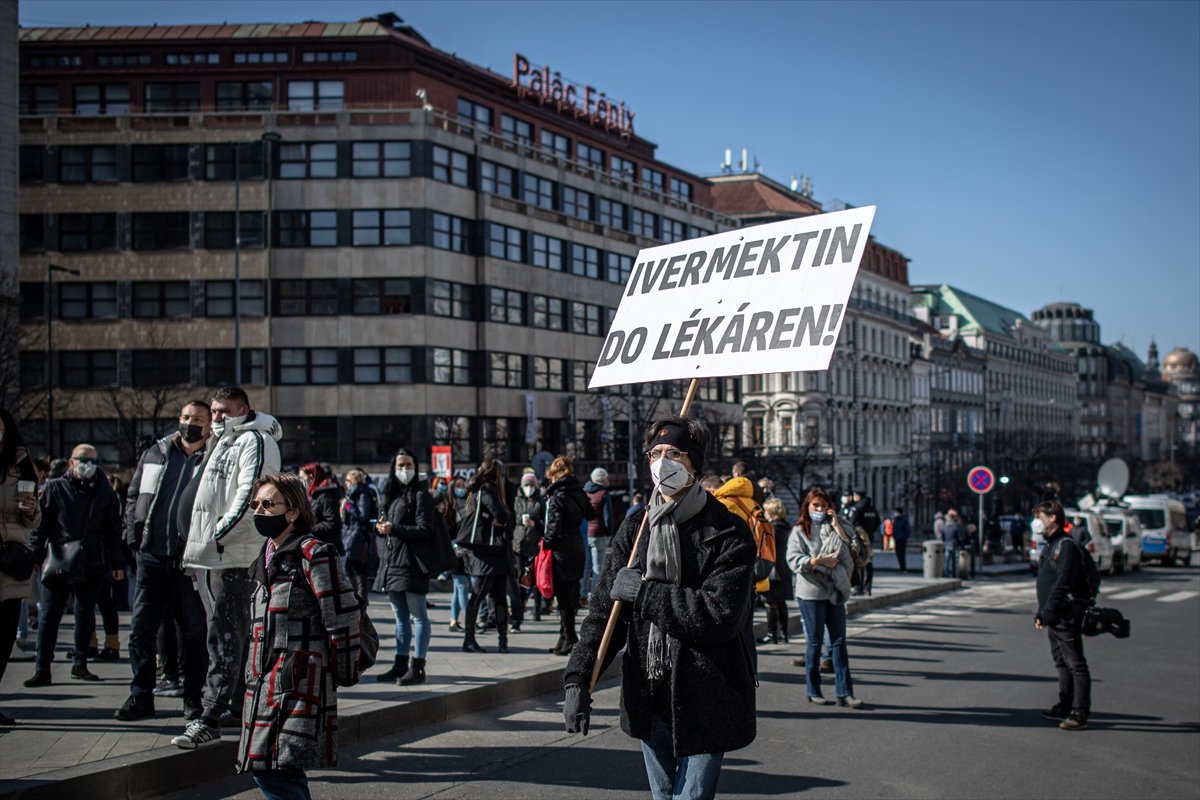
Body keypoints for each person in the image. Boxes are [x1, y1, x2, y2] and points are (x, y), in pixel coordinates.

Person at [563, 416, 756, 800]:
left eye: (674, 453)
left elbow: (719, 616)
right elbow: (605, 610)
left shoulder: (728, 531)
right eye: (656, 453)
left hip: (707, 691)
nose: (662, 462)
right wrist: (578, 678)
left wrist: (646, 593)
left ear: (694, 464)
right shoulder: (637, 527)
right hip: (649, 690)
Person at [237, 473, 362, 799]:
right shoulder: (265, 553)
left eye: (268, 504)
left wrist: (342, 671)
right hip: (264, 682)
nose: (260, 511)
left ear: (292, 511)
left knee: (274, 769)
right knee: (279, 767)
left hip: (298, 679)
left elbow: (343, 618)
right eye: (256, 504)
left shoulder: (313, 553)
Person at [174, 387, 282, 749]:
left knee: (225, 635)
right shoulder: (222, 441)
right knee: (220, 633)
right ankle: (236, 705)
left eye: (224, 411)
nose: (217, 417)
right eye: (215, 411)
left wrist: (215, 536)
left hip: (231, 555)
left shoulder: (254, 441)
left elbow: (248, 496)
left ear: (244, 410)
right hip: (209, 556)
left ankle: (210, 716)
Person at [115, 400, 212, 722]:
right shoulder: (156, 452)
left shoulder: (213, 458)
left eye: (198, 418)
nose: (190, 423)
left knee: (195, 632)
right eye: (186, 417)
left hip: (191, 560)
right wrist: (133, 533)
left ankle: (193, 698)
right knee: (141, 630)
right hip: (152, 556)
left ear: (209, 424)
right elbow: (134, 496)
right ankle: (140, 695)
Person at [25, 443, 124, 687]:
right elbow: (42, 525)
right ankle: (43, 667)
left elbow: (114, 530)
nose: (87, 465)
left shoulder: (104, 492)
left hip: (93, 561)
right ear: (71, 462)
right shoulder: (55, 488)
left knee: (85, 614)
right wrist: (35, 556)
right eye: (82, 459)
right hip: (59, 558)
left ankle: (80, 664)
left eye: (92, 460)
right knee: (49, 615)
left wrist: (116, 562)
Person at [785, 487, 863, 708]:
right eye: (815, 506)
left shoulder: (838, 526)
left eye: (823, 506)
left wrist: (838, 525)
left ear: (830, 507)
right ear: (807, 507)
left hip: (835, 589)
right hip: (810, 592)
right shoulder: (800, 530)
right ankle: (813, 690)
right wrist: (818, 562)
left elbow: (855, 551)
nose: (819, 510)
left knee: (839, 642)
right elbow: (793, 560)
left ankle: (845, 692)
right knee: (815, 642)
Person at [372, 448, 435, 686]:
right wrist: (380, 527)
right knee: (400, 617)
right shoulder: (392, 494)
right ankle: (400, 664)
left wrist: (393, 529)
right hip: (392, 562)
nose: (404, 469)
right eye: (400, 465)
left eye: (408, 464)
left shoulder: (421, 496)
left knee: (418, 616)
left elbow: (425, 530)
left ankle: (417, 667)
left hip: (411, 564)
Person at [1033, 500, 1091, 731]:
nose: (1037, 522)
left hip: (1065, 614)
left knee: (1076, 664)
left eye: (1040, 516)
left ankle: (1079, 712)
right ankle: (1065, 704)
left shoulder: (1065, 546)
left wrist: (1048, 610)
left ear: (1052, 518)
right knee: (1061, 663)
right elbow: (1045, 584)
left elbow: (1063, 583)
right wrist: (1041, 612)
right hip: (1053, 615)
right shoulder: (1050, 545)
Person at [0, 409, 41, 725]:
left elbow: (35, 518)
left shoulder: (20, 463)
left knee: (4, 638)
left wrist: (31, 510)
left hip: (12, 556)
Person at [543, 457, 594, 656]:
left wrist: (545, 542)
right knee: (570, 595)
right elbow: (590, 514)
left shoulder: (557, 497)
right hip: (577, 546)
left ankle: (570, 638)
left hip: (561, 550)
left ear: (556, 475)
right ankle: (563, 638)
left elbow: (553, 529)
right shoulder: (579, 493)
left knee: (563, 598)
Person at [461, 457, 511, 654]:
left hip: (491, 552)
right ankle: (470, 639)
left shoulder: (476, 490)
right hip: (489, 554)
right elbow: (502, 516)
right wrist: (503, 516)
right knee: (481, 596)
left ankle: (501, 640)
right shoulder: (487, 489)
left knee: (497, 596)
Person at [511, 471, 545, 628]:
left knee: (536, 579)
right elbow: (512, 517)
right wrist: (521, 521)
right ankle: (519, 612)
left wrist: (535, 524)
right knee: (520, 578)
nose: (529, 488)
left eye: (531, 485)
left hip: (535, 544)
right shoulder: (516, 499)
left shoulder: (541, 500)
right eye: (526, 485)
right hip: (519, 543)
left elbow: (545, 521)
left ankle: (536, 611)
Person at [760, 497, 792, 644]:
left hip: (772, 568)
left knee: (769, 602)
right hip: (784, 568)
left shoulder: (771, 529)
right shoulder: (787, 527)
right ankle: (784, 633)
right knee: (781, 602)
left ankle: (772, 634)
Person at [340, 469, 375, 602]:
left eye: (348, 480)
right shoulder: (352, 494)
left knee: (356, 566)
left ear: (353, 481)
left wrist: (349, 506)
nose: (346, 483)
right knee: (349, 566)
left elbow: (363, 516)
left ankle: (360, 598)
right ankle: (354, 597)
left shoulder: (362, 494)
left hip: (357, 535)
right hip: (349, 534)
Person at [582, 467, 615, 602]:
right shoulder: (604, 493)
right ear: (602, 479)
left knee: (586, 566)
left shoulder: (584, 493)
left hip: (585, 533)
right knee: (598, 567)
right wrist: (609, 533)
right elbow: (608, 517)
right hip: (599, 533)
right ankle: (595, 597)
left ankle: (582, 594)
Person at [300, 463, 343, 554]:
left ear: (311, 477)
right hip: (317, 549)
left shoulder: (325, 496)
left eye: (302, 478)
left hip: (328, 551)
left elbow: (332, 523)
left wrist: (309, 529)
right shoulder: (312, 496)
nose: (301, 482)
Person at [941, 510, 965, 578]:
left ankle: (946, 575)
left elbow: (942, 538)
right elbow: (960, 537)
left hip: (946, 545)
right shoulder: (956, 526)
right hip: (955, 545)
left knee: (946, 561)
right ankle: (956, 575)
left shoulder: (944, 527)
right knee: (956, 562)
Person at [892, 508, 912, 573]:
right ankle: (901, 568)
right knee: (898, 554)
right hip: (896, 539)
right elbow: (894, 529)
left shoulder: (904, 520)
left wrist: (903, 538)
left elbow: (908, 531)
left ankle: (903, 568)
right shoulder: (895, 520)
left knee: (902, 555)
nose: (895, 513)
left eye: (897, 512)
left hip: (902, 540)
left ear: (900, 513)